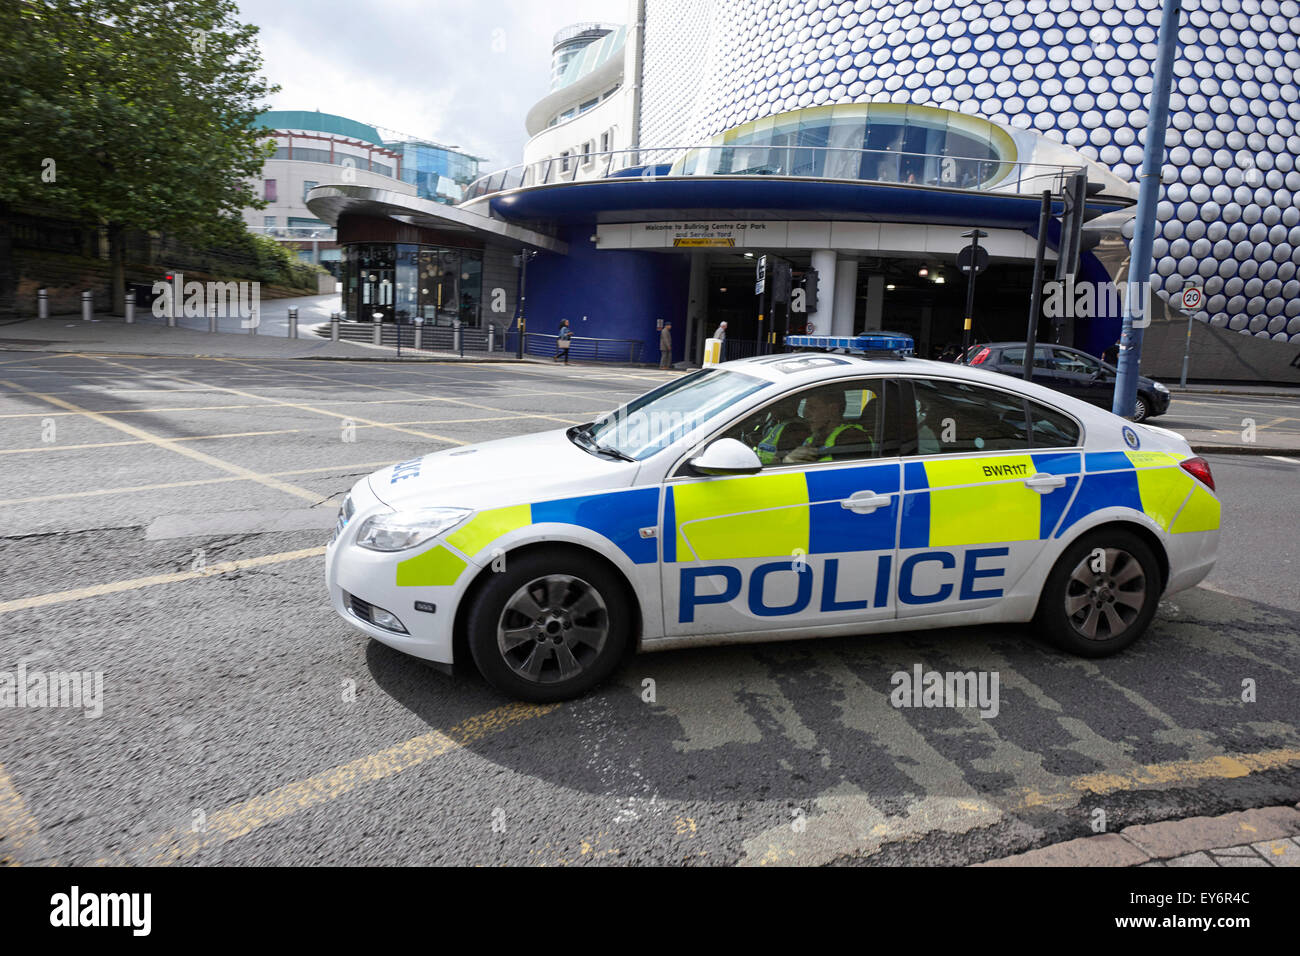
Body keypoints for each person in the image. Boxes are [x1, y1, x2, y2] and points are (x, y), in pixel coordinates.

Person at [783, 390, 874, 463]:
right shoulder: (817, 436)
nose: (805, 414)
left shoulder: (851, 437)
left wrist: (789, 463)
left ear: (833, 410)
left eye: (812, 408)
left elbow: (840, 478)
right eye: (805, 407)